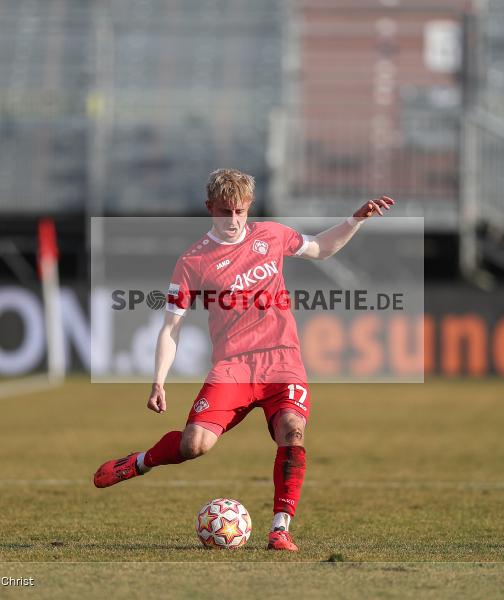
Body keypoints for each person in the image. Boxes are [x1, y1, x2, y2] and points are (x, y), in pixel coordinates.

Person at [94, 168, 394, 551]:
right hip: (233, 367)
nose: (233, 220)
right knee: (194, 445)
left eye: (240, 211)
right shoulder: (193, 262)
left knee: (292, 431)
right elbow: (171, 327)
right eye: (224, 212)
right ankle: (139, 462)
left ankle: (280, 529)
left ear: (248, 207)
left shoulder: (271, 235)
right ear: (210, 208)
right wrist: (158, 381)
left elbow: (320, 247)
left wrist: (356, 220)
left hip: (283, 361)